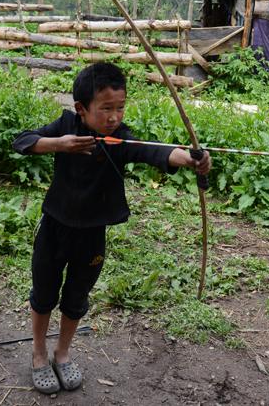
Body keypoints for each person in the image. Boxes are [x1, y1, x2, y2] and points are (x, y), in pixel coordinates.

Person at [12, 62, 211, 394]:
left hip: (92, 234)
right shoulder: (66, 126)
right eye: (105, 109)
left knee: (76, 296)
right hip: (55, 228)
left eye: (120, 107)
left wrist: (190, 159)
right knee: (44, 293)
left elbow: (151, 151)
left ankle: (62, 354)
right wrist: (60, 144)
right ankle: (38, 353)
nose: (114, 116)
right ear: (81, 108)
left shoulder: (119, 138)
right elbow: (23, 141)